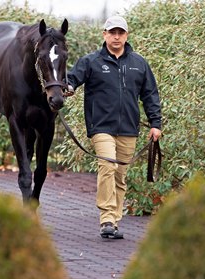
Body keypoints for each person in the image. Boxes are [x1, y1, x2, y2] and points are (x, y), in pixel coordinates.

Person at [66, 15, 162, 239]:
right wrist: (67, 87)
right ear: (105, 35)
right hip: (101, 127)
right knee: (108, 166)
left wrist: (156, 124)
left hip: (129, 128)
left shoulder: (139, 64)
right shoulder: (91, 62)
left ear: (126, 35)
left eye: (120, 33)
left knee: (120, 176)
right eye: (112, 32)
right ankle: (107, 218)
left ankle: (114, 222)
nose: (116, 37)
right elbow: (71, 79)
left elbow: (150, 95)